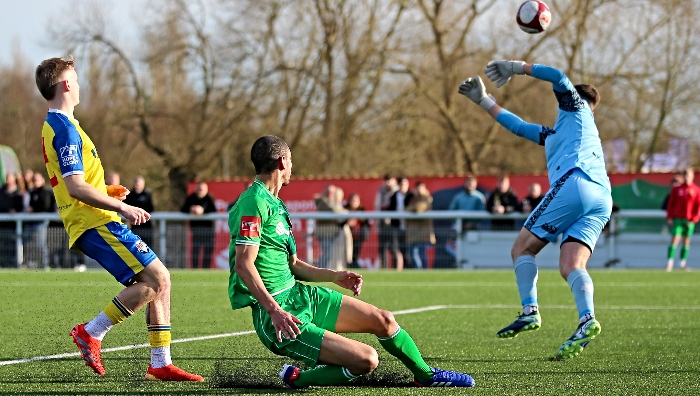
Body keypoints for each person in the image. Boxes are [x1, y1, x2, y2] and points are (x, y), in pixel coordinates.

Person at [228, 135, 474, 388]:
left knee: (384, 320)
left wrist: (334, 276)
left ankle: (426, 375)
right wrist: (275, 311)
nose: (292, 166)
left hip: (300, 295)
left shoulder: (276, 203)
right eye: (291, 160)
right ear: (282, 162)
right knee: (367, 360)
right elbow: (244, 265)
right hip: (279, 316)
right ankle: (298, 379)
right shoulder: (254, 201)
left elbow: (293, 265)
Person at [35, 56, 202, 381]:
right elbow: (76, 186)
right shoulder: (64, 128)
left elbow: (75, 182)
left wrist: (107, 191)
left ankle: (160, 362)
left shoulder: (64, 125)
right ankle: (91, 332)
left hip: (94, 217)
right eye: (76, 78)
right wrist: (122, 208)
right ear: (66, 84)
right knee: (156, 280)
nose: (80, 84)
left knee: (161, 281)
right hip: (95, 222)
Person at [459, 59, 612, 359]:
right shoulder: (559, 134)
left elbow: (557, 75)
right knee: (571, 266)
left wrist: (513, 67)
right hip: (601, 198)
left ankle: (530, 311)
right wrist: (483, 99)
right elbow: (518, 126)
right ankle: (586, 320)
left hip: (577, 184)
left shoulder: (575, 108)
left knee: (521, 249)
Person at [665, 168, 700, 271]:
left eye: (688, 175)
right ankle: (670, 263)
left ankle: (683, 263)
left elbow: (698, 207)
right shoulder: (677, 189)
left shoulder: (696, 190)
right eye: (685, 175)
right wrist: (670, 217)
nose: (686, 178)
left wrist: (693, 219)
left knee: (686, 241)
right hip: (678, 219)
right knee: (675, 239)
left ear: (692, 176)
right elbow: (670, 204)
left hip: (689, 221)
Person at [180, 182, 217, 269]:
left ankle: (206, 269)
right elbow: (182, 209)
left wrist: (202, 210)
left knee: (208, 251)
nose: (200, 191)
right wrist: (191, 209)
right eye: (199, 189)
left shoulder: (209, 198)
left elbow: (213, 210)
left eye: (202, 189)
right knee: (195, 251)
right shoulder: (191, 198)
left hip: (208, 230)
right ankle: (194, 269)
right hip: (196, 230)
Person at [25, 173, 54, 269]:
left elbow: (45, 206)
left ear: (42, 180)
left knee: (40, 243)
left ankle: (44, 263)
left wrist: (33, 209)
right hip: (32, 221)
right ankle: (31, 262)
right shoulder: (32, 192)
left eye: (37, 180)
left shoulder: (45, 192)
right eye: (34, 180)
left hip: (42, 221)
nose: (35, 182)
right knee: (30, 242)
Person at [406, 181, 436, 269]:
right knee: (413, 253)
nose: (419, 190)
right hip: (413, 232)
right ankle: (418, 271)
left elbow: (418, 209)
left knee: (420, 253)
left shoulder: (426, 198)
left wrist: (408, 209)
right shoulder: (413, 199)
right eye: (417, 188)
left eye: (421, 188)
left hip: (423, 232)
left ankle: (423, 271)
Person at [313, 184, 344, 268]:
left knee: (330, 254)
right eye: (329, 191)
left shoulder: (331, 202)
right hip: (324, 233)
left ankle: (322, 269)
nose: (331, 194)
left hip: (332, 232)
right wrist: (344, 212)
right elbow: (333, 210)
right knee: (327, 254)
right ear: (324, 191)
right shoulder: (323, 201)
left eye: (333, 192)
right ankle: (318, 268)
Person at [388, 177, 413, 270]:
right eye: (402, 184)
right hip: (396, 226)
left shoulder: (411, 196)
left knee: (406, 249)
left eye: (406, 184)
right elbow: (391, 209)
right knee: (395, 249)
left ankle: (406, 268)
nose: (404, 186)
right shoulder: (394, 196)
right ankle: (396, 269)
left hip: (408, 226)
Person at [374, 174, 398, 268]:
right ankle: (384, 269)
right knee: (382, 249)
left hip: (393, 225)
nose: (388, 182)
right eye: (386, 180)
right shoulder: (380, 192)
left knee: (394, 249)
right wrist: (377, 224)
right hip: (382, 225)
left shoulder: (397, 192)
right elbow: (377, 207)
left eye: (390, 180)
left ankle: (396, 271)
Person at [0, 173, 24, 267]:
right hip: (2, 225)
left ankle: (13, 264)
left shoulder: (18, 193)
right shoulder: (2, 192)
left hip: (13, 225)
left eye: (10, 179)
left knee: (12, 247)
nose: (8, 181)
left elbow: (20, 206)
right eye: (7, 178)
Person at [123, 176, 155, 247]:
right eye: (136, 184)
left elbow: (150, 208)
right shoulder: (130, 195)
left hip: (146, 227)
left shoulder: (147, 194)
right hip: (134, 227)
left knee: (147, 247)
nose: (137, 186)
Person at [344, 193, 370, 269]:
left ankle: (354, 267)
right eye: (352, 200)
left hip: (357, 236)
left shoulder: (362, 211)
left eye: (356, 201)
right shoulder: (345, 210)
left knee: (355, 255)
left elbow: (367, 222)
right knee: (347, 255)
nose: (354, 203)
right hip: (346, 237)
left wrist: (357, 218)